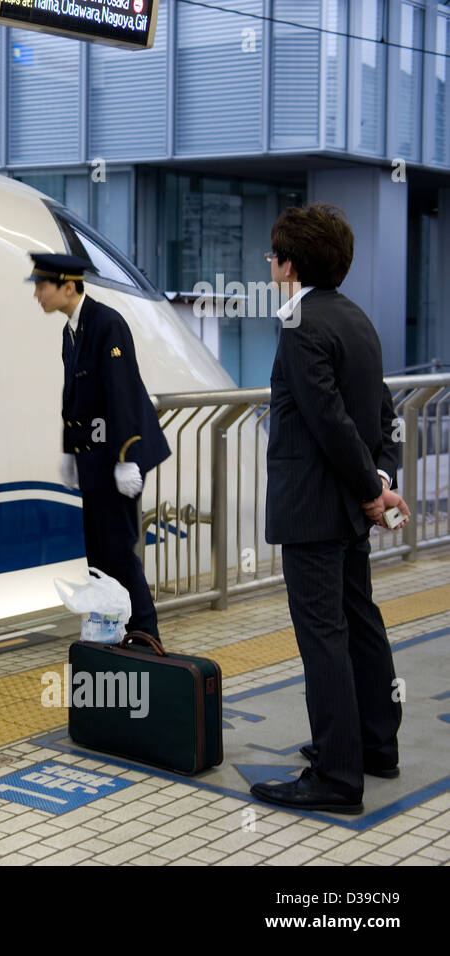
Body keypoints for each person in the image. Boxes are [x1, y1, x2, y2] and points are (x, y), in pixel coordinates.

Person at [250, 204, 407, 815]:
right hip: (347, 510)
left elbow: (330, 424)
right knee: (360, 623)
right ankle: (375, 746)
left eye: (273, 257)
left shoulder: (299, 326)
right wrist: (382, 480)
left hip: (315, 511)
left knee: (324, 637)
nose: (270, 266)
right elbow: (381, 412)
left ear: (289, 265)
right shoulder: (355, 318)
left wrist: (371, 489)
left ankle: (338, 777)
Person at [29, 253, 170, 638]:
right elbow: (74, 396)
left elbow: (120, 395)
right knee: (100, 556)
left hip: (117, 460)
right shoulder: (71, 331)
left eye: (43, 286)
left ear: (68, 286)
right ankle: (116, 629)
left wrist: (126, 460)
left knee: (120, 552)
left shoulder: (108, 325)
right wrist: (69, 450)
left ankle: (145, 635)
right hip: (93, 460)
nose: (38, 294)